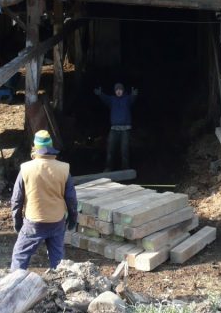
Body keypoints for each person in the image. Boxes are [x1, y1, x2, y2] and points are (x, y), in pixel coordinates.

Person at [10, 129, 78, 271]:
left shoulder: (26, 168)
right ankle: (61, 287)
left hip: (34, 222)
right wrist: (72, 218)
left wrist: (17, 222)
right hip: (57, 221)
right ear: (51, 146)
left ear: (35, 148)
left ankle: (14, 284)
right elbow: (71, 199)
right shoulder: (64, 169)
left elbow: (16, 200)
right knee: (58, 260)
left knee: (20, 256)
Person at [94, 82, 138, 170]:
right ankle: (108, 167)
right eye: (117, 90)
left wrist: (134, 95)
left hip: (125, 129)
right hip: (114, 129)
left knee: (124, 150)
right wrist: (100, 94)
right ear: (115, 91)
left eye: (120, 89)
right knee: (110, 149)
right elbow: (105, 98)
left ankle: (125, 167)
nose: (118, 91)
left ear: (123, 90)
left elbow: (132, 98)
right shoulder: (112, 99)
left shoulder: (127, 99)